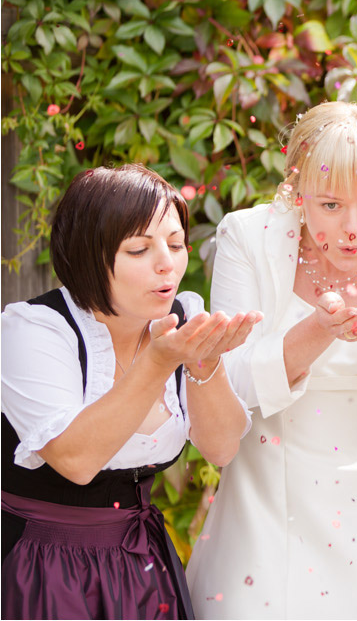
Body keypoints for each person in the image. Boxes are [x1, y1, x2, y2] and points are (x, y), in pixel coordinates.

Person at [186, 100, 357, 619]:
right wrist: (315, 331)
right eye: (331, 205)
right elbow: (231, 382)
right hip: (268, 478)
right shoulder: (246, 235)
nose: (355, 227)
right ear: (298, 190)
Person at [1, 164, 257, 621]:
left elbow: (221, 446)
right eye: (139, 249)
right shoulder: (34, 329)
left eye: (176, 244)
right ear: (88, 256)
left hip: (141, 566)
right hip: (41, 565)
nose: (168, 264)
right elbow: (76, 460)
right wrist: (158, 361)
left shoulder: (183, 317)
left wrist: (205, 362)